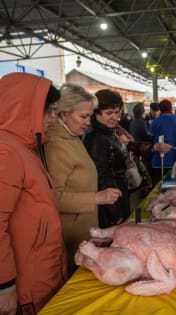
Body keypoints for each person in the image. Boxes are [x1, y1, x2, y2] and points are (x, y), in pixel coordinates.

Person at [0, 72, 68, 314]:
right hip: (26, 281)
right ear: (24, 108)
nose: (52, 117)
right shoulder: (6, 150)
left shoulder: (25, 147)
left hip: (40, 269)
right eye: (48, 110)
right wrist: (4, 286)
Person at [44, 83, 122, 275]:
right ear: (63, 115)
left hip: (85, 230)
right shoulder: (56, 146)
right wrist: (97, 198)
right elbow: (54, 197)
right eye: (83, 116)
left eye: (89, 115)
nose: (88, 122)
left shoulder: (73, 138)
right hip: (71, 235)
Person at [83, 89, 130, 228]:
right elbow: (101, 178)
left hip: (117, 197)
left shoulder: (108, 133)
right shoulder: (98, 139)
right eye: (109, 113)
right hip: (110, 205)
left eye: (117, 113)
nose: (114, 117)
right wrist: (115, 214)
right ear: (96, 113)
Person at [148, 99, 176, 185]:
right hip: (175, 157)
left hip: (159, 159)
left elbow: (149, 136)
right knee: (175, 185)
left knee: (159, 186)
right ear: (171, 108)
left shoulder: (155, 122)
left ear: (160, 109)